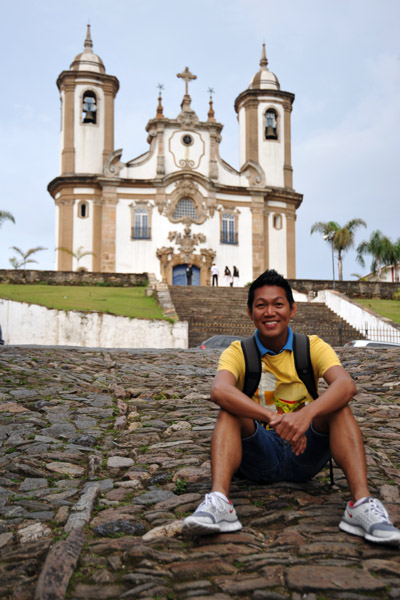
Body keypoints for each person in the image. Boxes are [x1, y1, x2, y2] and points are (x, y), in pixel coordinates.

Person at [182, 269, 400, 546]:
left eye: (278, 304)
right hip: (258, 454)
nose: (269, 312)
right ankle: (219, 502)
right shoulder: (238, 351)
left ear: (292, 309)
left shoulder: (312, 346)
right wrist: (273, 417)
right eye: (261, 305)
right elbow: (219, 390)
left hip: (305, 452)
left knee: (339, 406)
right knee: (229, 409)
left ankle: (360, 503)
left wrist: (305, 415)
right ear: (250, 312)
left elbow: (346, 386)